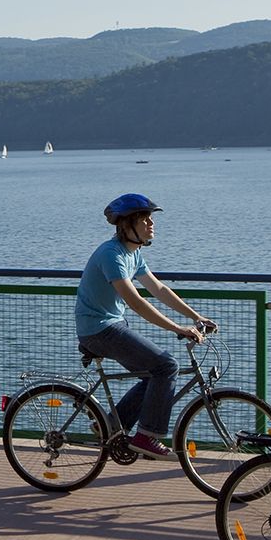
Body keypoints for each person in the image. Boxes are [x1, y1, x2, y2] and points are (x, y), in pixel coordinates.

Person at [73, 193, 216, 460]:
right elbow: (136, 302)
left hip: (111, 325)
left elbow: (158, 288)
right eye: (145, 219)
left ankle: (111, 425)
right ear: (127, 225)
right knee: (166, 366)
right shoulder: (111, 255)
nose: (152, 224)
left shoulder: (132, 253)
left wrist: (196, 317)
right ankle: (146, 436)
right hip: (99, 329)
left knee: (154, 373)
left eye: (151, 219)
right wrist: (179, 329)